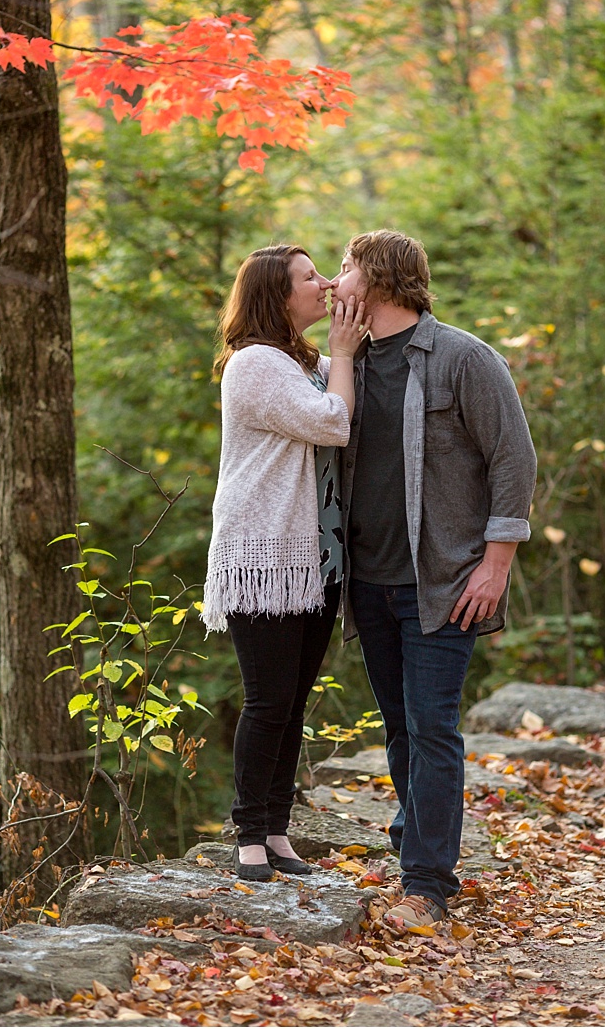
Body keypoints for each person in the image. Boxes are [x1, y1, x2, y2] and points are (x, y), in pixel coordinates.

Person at [328, 229, 537, 932]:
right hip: (370, 582)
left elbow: (514, 459)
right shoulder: (347, 364)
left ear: (380, 280)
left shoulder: (463, 359)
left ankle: (426, 886)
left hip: (446, 581)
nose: (336, 278)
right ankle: (415, 845)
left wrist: (496, 565)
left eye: (347, 266)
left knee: (433, 726)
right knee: (399, 729)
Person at [203, 244, 370, 882]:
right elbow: (334, 421)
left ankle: (277, 830)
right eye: (310, 277)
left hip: (314, 556)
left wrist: (358, 326)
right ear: (277, 295)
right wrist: (347, 355)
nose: (324, 284)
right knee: (268, 700)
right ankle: (248, 833)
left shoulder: (303, 361)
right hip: (264, 555)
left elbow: (355, 390)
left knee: (294, 701)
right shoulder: (254, 365)